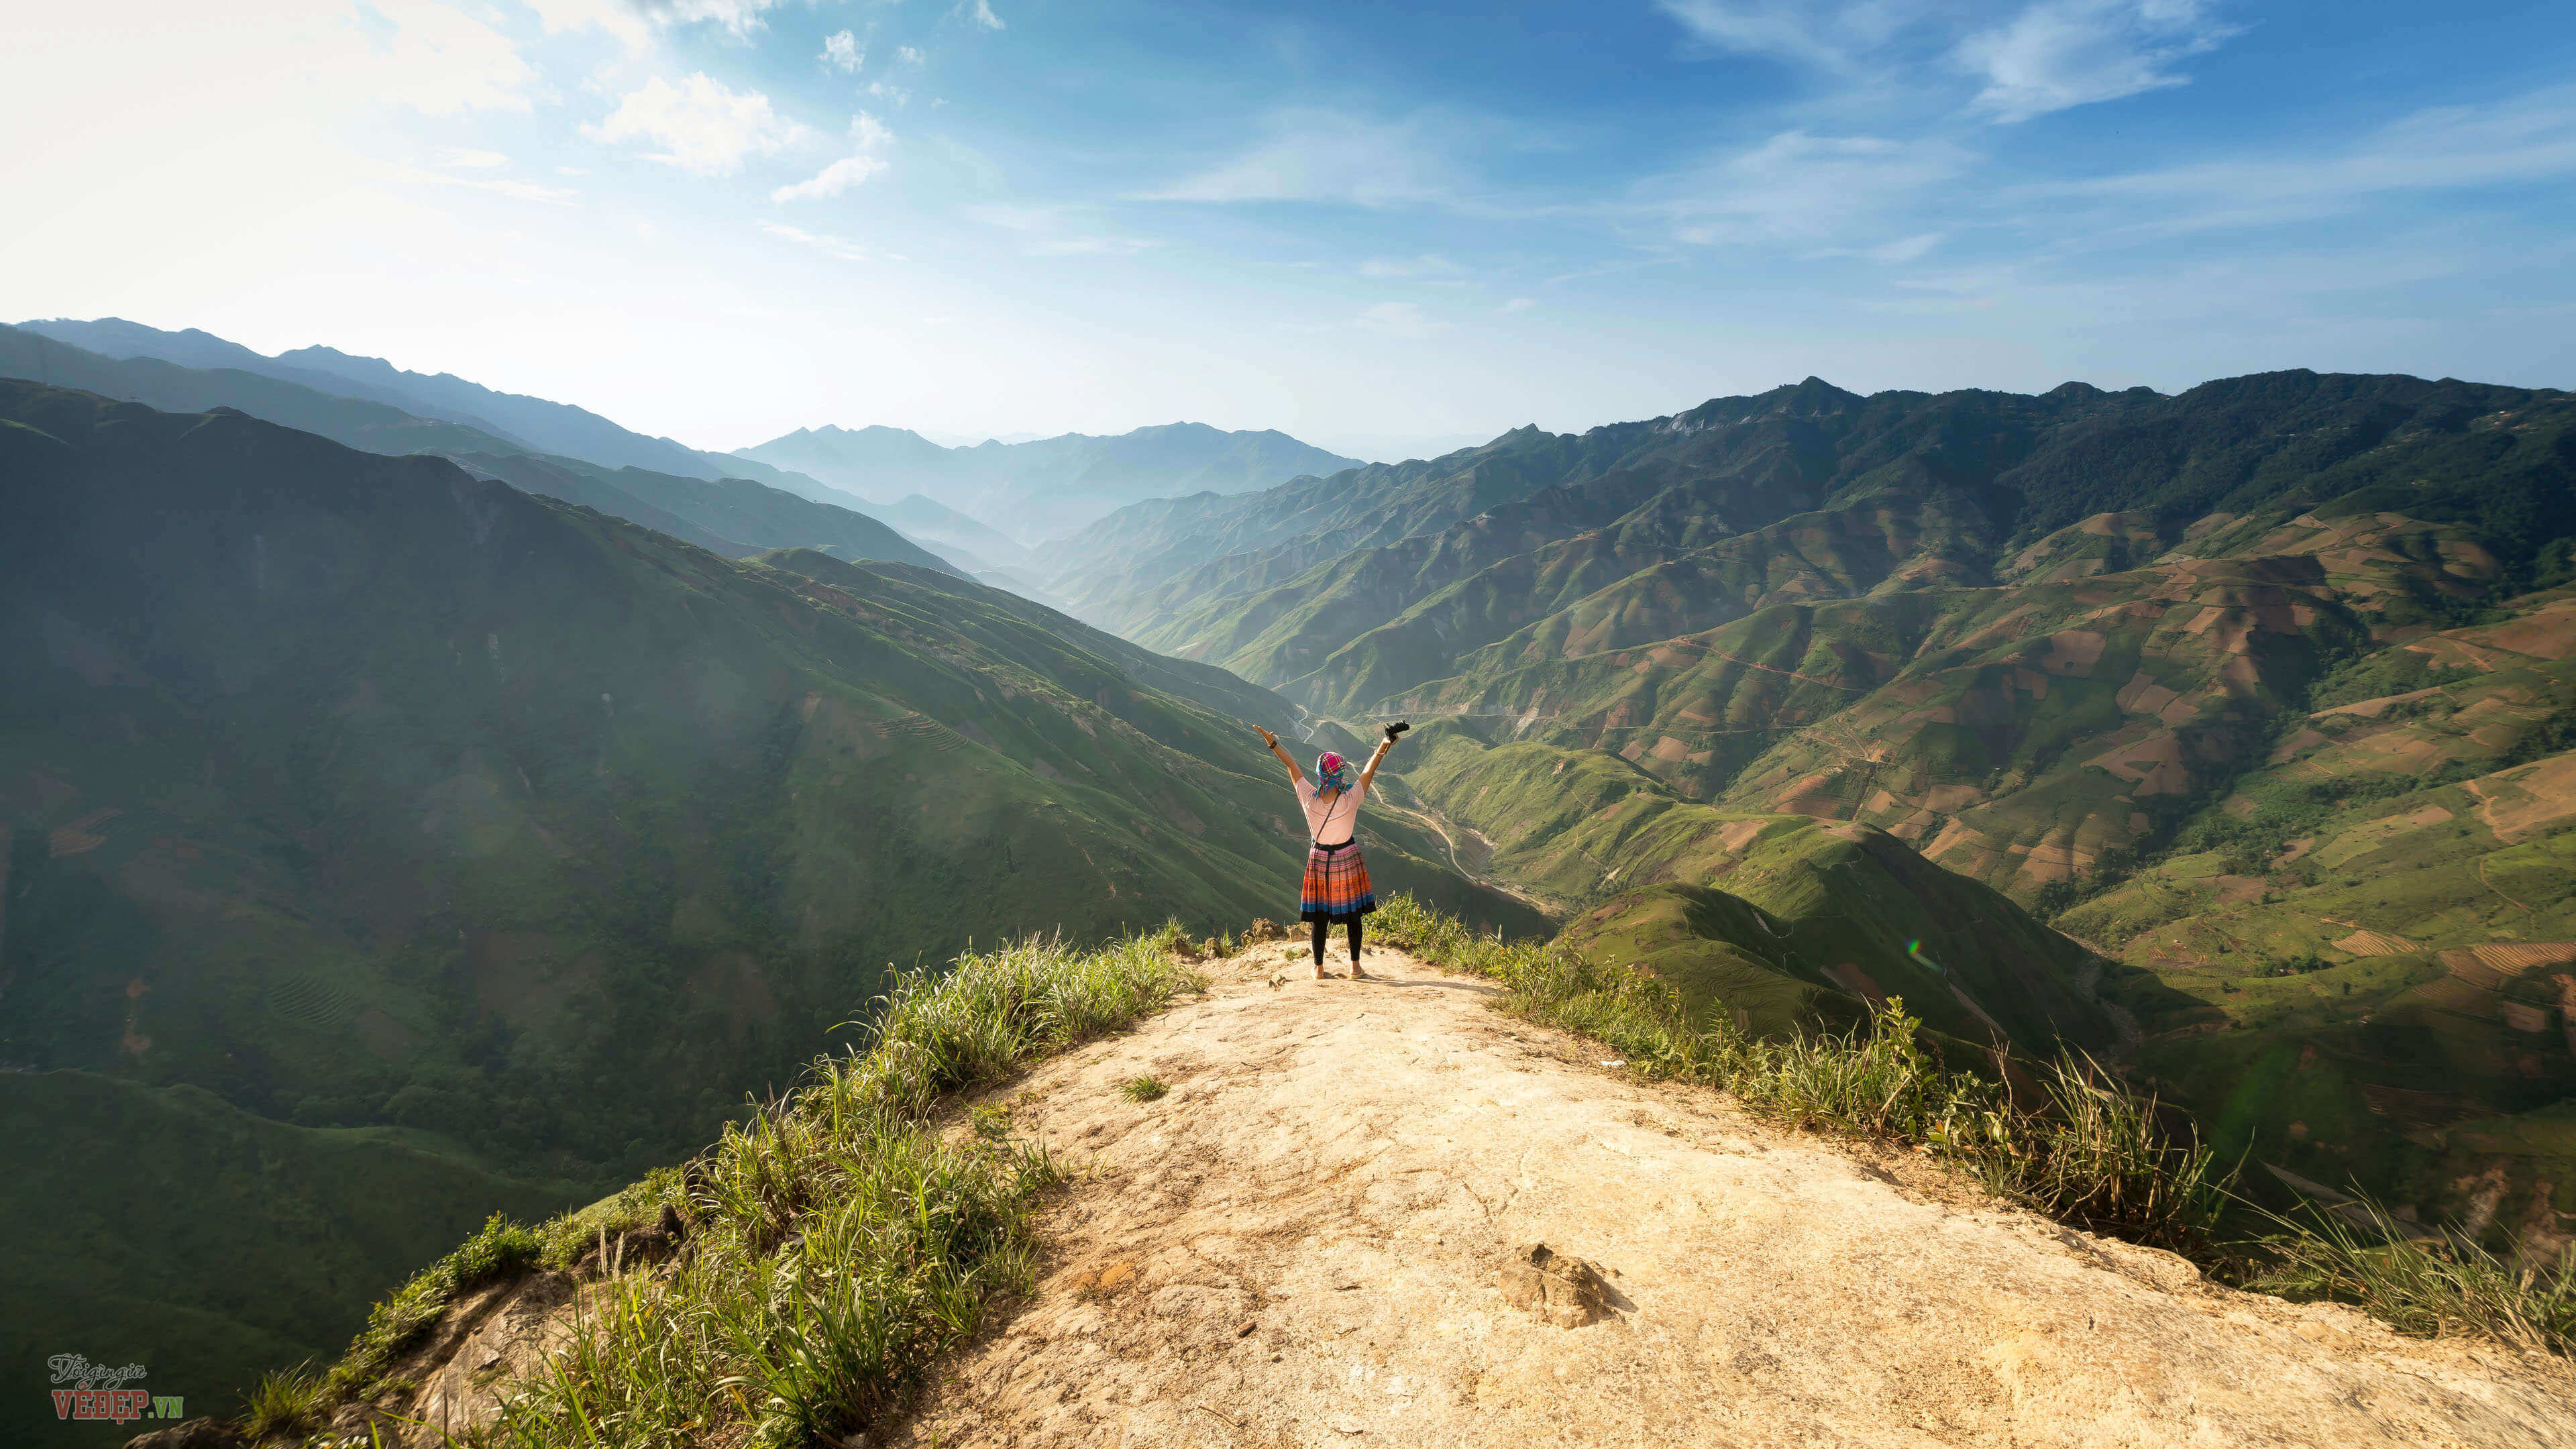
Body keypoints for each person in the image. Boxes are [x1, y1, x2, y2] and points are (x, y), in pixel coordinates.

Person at [1257, 724, 1400, 979]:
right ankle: (1355, 967)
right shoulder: (1351, 798)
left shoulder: (1308, 799)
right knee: (1354, 915)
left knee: (1320, 916)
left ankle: (1319, 968)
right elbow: (1370, 769)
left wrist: (1274, 743)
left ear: (1321, 774)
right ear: (1341, 775)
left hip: (1320, 860)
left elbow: (1292, 767)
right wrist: (1385, 743)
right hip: (1348, 857)